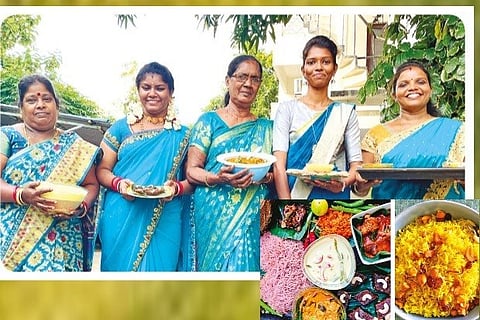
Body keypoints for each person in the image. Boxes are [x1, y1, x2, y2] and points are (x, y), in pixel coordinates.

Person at [96, 62, 193, 271]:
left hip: (165, 214)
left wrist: (175, 189)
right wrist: (120, 184)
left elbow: (192, 179)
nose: (152, 93)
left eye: (160, 88)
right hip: (122, 211)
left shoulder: (183, 135)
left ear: (171, 92)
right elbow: (101, 171)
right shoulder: (121, 127)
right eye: (146, 87)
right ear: (138, 90)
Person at [0, 74, 101, 271]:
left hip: (65, 238)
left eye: (47, 99)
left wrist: (80, 207)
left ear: (56, 105)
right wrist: (20, 194)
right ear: (21, 108)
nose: (40, 105)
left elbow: (92, 185)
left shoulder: (75, 145)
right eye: (31, 100)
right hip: (14, 241)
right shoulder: (8, 136)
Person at [186, 55, 273, 272]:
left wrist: (265, 177)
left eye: (255, 79)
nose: (248, 84)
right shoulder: (208, 122)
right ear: (228, 81)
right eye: (242, 76)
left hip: (251, 212)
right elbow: (191, 171)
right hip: (212, 211)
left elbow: (273, 172)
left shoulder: (268, 128)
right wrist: (217, 178)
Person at [354, 60, 465, 199]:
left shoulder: (456, 130)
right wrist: (361, 185)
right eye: (403, 84)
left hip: (448, 214)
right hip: (391, 212)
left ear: (430, 90)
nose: (413, 87)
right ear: (393, 95)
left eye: (421, 82)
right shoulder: (376, 134)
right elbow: (360, 185)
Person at [273, 35, 362, 199]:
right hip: (294, 194)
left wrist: (342, 184)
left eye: (326, 62)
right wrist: (287, 204)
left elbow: (356, 166)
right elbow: (279, 165)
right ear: (303, 70)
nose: (319, 67)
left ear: (334, 69)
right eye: (311, 62)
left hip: (335, 198)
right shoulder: (287, 110)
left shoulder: (345, 113)